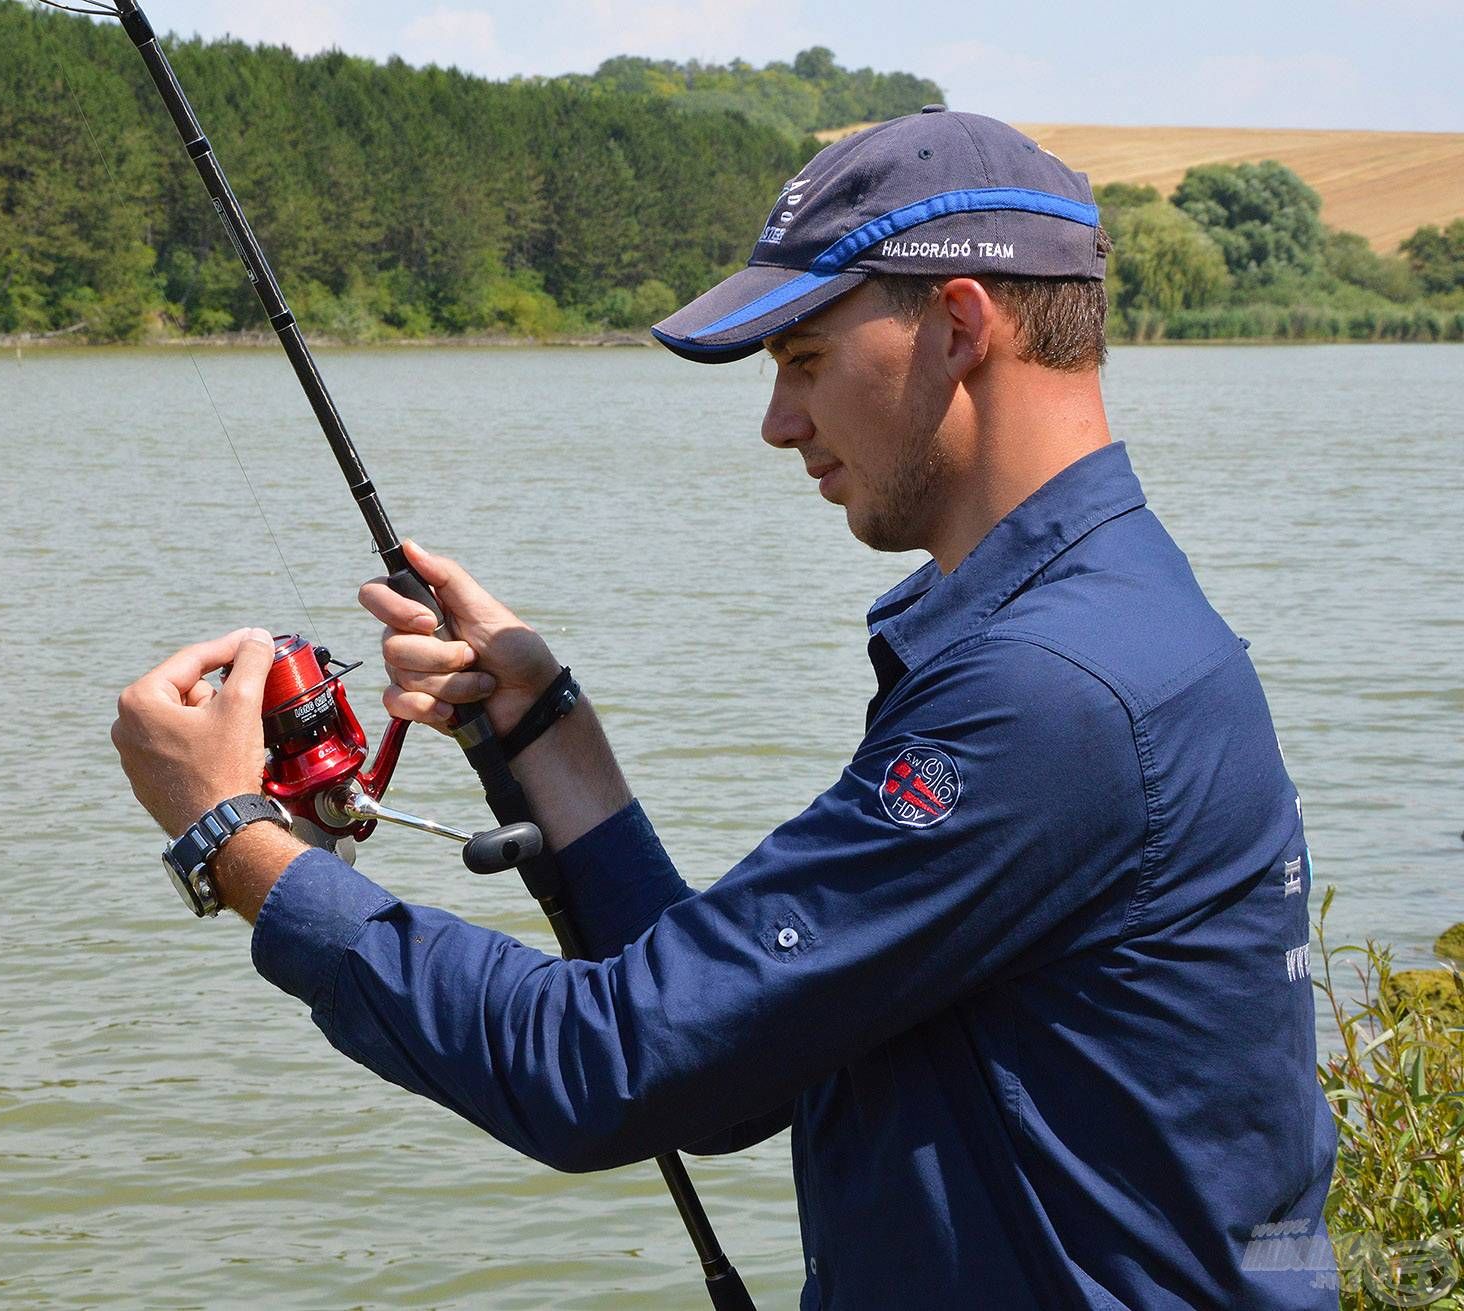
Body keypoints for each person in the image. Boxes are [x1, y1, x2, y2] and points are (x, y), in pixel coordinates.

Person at [110, 109, 1338, 1309]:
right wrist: (550, 731)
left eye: (803, 360)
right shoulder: (1101, 620)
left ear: (959, 326)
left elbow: (603, 1068)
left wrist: (237, 840)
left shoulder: (1048, 696)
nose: (777, 423)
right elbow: (727, 1075)